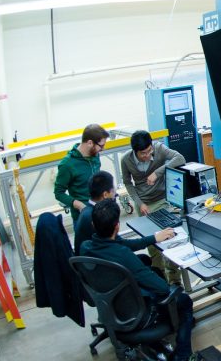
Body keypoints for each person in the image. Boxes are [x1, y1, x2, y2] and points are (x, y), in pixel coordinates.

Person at [81, 200, 197, 361]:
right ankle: (183, 355)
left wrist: (155, 238)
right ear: (117, 226)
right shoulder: (123, 256)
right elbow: (162, 288)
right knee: (184, 301)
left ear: (93, 224)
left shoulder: (85, 247)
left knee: (151, 267)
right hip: (138, 316)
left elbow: (124, 244)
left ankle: (159, 345)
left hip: (112, 309)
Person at [121, 130, 186, 286]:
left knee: (170, 240)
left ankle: (175, 281)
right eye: (143, 153)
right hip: (143, 204)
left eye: (149, 151)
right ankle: (160, 280)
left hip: (162, 199)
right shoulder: (126, 160)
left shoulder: (158, 149)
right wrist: (139, 203)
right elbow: (128, 183)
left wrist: (158, 172)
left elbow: (180, 158)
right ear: (134, 151)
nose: (148, 155)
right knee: (153, 246)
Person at [73, 171, 175, 257]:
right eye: (113, 191)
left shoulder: (87, 211)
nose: (115, 194)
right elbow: (121, 244)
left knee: (144, 258)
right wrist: (155, 238)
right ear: (105, 195)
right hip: (104, 265)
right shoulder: (98, 216)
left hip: (92, 265)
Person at [54, 124, 109, 224]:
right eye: (101, 146)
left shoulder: (95, 155)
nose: (103, 149)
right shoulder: (67, 164)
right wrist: (78, 205)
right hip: (83, 217)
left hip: (100, 212)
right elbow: (58, 193)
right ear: (89, 143)